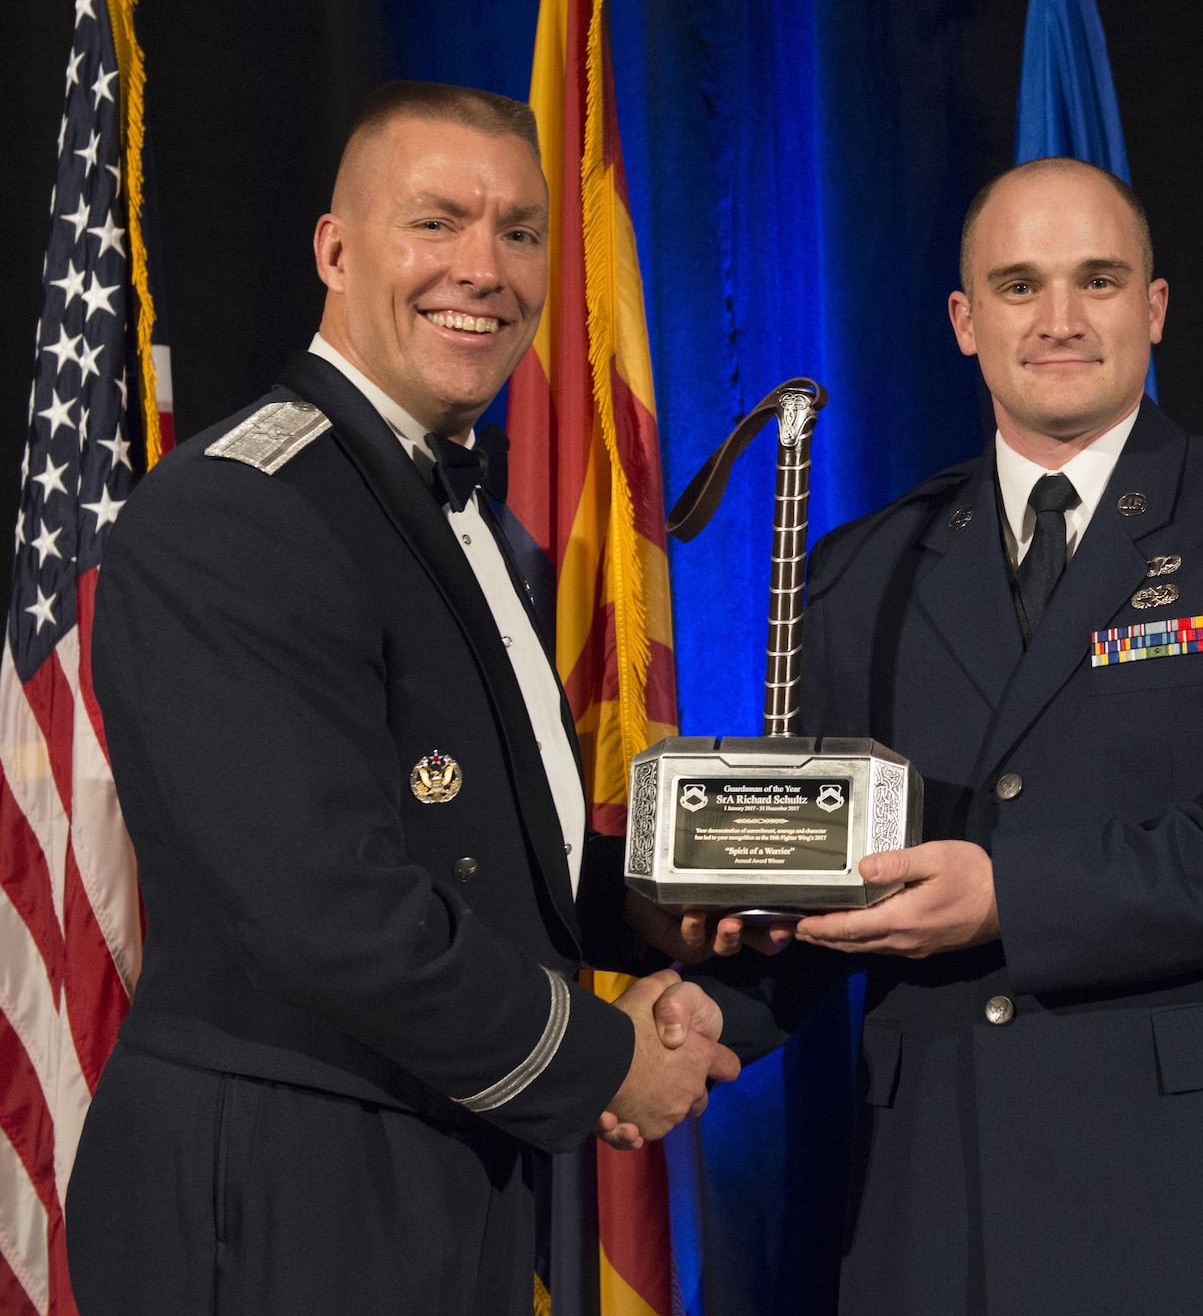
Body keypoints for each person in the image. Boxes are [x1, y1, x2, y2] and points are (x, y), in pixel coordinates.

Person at [67, 82, 740, 1315]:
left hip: (433, 1144)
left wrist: (650, 909)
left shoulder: (477, 522)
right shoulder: (240, 508)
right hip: (282, 1173)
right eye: (436, 222)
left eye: (520, 231)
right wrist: (606, 1061)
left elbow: (470, 835)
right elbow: (326, 903)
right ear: (335, 249)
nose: (482, 269)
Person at [692, 156, 1203, 1314]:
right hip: (945, 1194)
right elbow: (824, 873)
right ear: (966, 322)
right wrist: (700, 1010)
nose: (1059, 320)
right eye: (1018, 287)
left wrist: (1009, 893)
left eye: (1099, 281)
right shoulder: (860, 569)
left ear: (1155, 308)